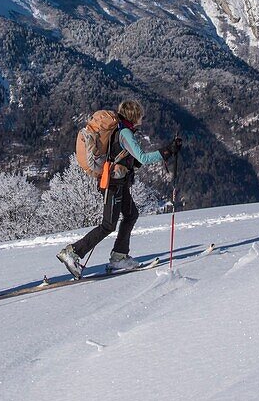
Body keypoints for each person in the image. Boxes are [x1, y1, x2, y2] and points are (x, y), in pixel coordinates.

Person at [57, 100, 182, 278]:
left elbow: (130, 159)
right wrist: (168, 151)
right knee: (108, 225)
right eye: (140, 115)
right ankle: (72, 252)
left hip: (120, 182)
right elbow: (143, 158)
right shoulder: (124, 133)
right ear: (134, 116)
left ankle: (119, 256)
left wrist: (167, 151)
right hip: (112, 185)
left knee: (131, 215)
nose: (142, 119)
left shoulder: (122, 131)